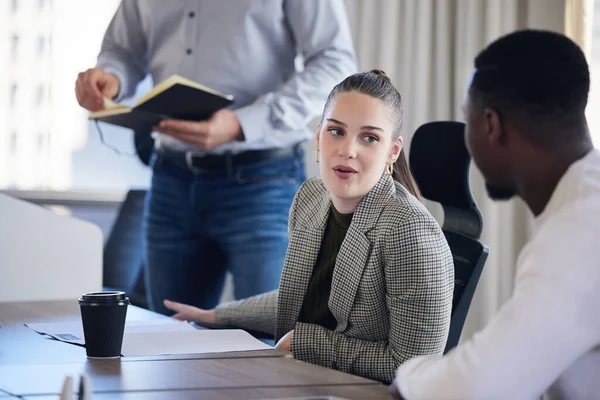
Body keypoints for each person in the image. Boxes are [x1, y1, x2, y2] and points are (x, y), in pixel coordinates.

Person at [164, 70, 455, 383]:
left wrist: (304, 343)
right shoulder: (311, 198)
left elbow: (413, 365)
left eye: (369, 138)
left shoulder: (409, 231)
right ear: (318, 137)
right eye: (336, 131)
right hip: (305, 378)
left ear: (392, 152)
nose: (348, 150)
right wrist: (213, 316)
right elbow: (297, 297)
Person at [74, 0, 357, 314]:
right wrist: (112, 79)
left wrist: (242, 123)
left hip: (263, 183)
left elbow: (335, 62)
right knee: (171, 342)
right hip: (171, 179)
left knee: (267, 343)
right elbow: (122, 51)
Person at [393, 30, 600, 400]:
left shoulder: (579, 232)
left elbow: (478, 386)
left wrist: (407, 377)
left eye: (466, 120)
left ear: (491, 124)